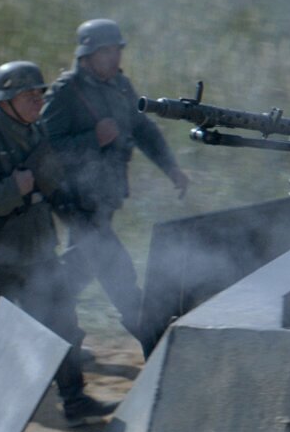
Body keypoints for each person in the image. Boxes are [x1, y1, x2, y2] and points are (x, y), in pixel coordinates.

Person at [0, 62, 116, 425]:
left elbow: (49, 183)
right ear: (6, 100)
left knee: (62, 324)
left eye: (40, 94)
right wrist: (11, 189)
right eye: (29, 95)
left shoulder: (34, 131)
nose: (38, 101)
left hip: (37, 251)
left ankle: (74, 400)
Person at [39, 18, 190, 354]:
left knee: (81, 267)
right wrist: (92, 138)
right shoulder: (65, 93)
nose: (114, 58)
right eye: (105, 52)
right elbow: (44, 150)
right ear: (86, 55)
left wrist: (171, 168)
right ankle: (152, 339)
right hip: (73, 199)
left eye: (116, 50)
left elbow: (143, 129)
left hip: (104, 197)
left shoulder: (120, 86)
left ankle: (43, 319)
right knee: (114, 267)